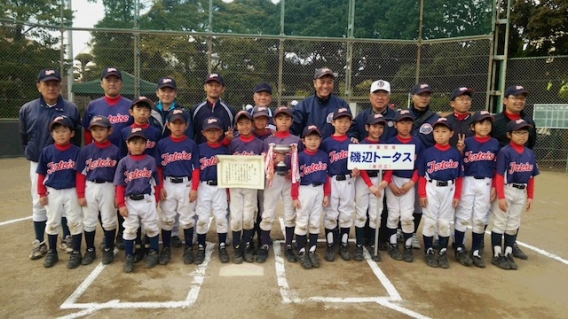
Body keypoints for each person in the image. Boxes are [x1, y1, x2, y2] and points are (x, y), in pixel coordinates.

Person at [19, 68, 81, 260]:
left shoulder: (71, 108)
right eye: (47, 84)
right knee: (39, 201)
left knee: (66, 201)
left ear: (60, 86)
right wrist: (34, 153)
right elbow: (23, 137)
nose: (51, 87)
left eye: (55, 84)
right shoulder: (27, 109)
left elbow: (76, 136)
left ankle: (67, 238)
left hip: (66, 162)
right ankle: (40, 242)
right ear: (39, 86)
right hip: (39, 162)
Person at [82, 67, 133, 250]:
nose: (112, 83)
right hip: (100, 159)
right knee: (100, 199)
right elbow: (87, 133)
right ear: (101, 83)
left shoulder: (129, 105)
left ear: (121, 83)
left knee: (119, 197)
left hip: (123, 158)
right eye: (108, 79)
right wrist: (91, 154)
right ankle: (107, 233)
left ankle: (120, 233)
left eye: (116, 80)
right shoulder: (93, 106)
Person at [490, 85, 537, 261]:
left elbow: (530, 145)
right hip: (497, 172)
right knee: (491, 210)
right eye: (514, 97)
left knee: (513, 215)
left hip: (517, 173)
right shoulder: (495, 121)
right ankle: (486, 244)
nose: (519, 101)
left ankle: (511, 245)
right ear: (505, 100)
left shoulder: (529, 121)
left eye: (522, 98)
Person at [454, 111, 499, 268]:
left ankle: (475, 251)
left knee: (480, 218)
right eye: (481, 123)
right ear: (472, 126)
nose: (485, 126)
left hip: (486, 182)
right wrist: (460, 150)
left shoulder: (494, 143)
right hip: (467, 181)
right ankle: (459, 248)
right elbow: (458, 164)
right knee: (463, 216)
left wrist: (494, 186)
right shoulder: (467, 142)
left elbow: (496, 168)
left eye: (488, 123)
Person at [36, 116, 82, 268]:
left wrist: (81, 193)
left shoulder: (77, 151)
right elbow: (41, 173)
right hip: (53, 191)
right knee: (53, 221)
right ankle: (52, 251)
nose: (60, 134)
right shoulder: (47, 151)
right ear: (52, 134)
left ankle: (76, 251)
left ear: (72, 133)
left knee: (74, 220)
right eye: (56, 131)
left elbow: (80, 175)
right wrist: (41, 193)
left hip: (72, 191)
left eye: (64, 130)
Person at [113, 128, 161, 273]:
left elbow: (156, 183)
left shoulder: (151, 161)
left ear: (146, 144)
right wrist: (121, 203)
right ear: (128, 143)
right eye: (134, 142)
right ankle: (129, 255)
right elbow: (120, 185)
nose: (138, 145)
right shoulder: (123, 162)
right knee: (130, 229)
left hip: (147, 199)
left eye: (141, 142)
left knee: (151, 226)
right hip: (130, 201)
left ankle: (153, 251)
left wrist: (156, 200)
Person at [417, 118, 463, 269]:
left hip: (449, 189)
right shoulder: (427, 153)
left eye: (444, 131)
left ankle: (442, 252)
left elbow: (459, 177)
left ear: (451, 134)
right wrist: (422, 193)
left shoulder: (455, 153)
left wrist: (457, 195)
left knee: (444, 223)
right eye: (437, 131)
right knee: (430, 221)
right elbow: (422, 175)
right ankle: (429, 251)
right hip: (432, 188)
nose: (440, 135)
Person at [156, 109, 200, 265]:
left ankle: (188, 247)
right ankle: (166, 248)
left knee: (187, 218)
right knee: (167, 218)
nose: (178, 126)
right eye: (174, 123)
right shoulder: (162, 144)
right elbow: (159, 168)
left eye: (181, 123)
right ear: (168, 125)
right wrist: (160, 187)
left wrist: (194, 187)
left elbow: (196, 168)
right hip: (168, 184)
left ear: (186, 125)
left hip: (186, 184)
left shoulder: (191, 144)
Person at [257, 106, 301, 263]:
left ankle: (288, 245)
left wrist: (293, 170)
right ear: (274, 121)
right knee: (268, 212)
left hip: (289, 179)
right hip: (273, 177)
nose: (283, 121)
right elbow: (263, 161)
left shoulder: (296, 140)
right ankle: (264, 245)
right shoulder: (268, 141)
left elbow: (300, 162)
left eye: (287, 118)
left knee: (290, 213)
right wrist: (273, 162)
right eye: (280, 118)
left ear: (291, 121)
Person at [75, 116, 120, 265]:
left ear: (110, 130)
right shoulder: (86, 151)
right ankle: (90, 250)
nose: (98, 133)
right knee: (89, 220)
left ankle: (108, 248)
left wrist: (118, 195)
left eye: (101, 129)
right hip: (90, 186)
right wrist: (80, 195)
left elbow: (119, 176)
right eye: (94, 130)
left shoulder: (115, 150)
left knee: (108, 219)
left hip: (109, 186)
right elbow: (80, 174)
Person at [382, 110, 424, 262]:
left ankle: (407, 247)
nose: (405, 126)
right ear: (396, 124)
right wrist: (390, 184)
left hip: (409, 181)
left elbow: (419, 166)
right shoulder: (391, 142)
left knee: (407, 215)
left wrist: (412, 183)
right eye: (402, 122)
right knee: (393, 214)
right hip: (392, 180)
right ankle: (393, 245)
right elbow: (385, 167)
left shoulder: (417, 142)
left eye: (408, 122)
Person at [321, 107, 359, 262]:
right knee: (331, 213)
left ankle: (343, 243)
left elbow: (357, 163)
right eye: (340, 121)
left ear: (350, 123)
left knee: (346, 212)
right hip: (331, 180)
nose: (343, 125)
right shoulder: (325, 142)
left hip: (348, 181)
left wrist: (356, 171)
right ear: (333, 122)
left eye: (346, 121)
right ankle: (331, 244)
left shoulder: (353, 142)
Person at [226, 111, 264, 263]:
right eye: (241, 124)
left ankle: (247, 245)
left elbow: (264, 163)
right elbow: (225, 161)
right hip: (235, 185)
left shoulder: (259, 144)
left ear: (252, 124)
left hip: (251, 185)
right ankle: (237, 248)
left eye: (247, 123)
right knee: (236, 218)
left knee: (248, 217)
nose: (245, 126)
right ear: (236, 126)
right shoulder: (232, 143)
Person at [292, 125, 330, 269]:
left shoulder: (323, 155)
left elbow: (326, 177)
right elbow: (295, 178)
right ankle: (301, 251)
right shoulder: (299, 157)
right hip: (304, 190)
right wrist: (295, 196)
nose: (313, 141)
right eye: (309, 138)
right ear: (303, 141)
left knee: (315, 221)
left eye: (316, 138)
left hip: (319, 189)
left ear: (320, 140)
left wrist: (326, 194)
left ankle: (312, 250)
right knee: (302, 221)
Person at [194, 117, 231, 265]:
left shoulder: (225, 149)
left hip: (220, 187)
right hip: (203, 186)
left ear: (221, 132)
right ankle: (201, 246)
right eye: (209, 131)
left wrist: (228, 191)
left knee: (221, 217)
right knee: (202, 219)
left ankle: (222, 245)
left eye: (216, 130)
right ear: (203, 132)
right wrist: (194, 188)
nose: (213, 134)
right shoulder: (199, 148)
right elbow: (196, 169)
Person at [408, 83, 440, 250]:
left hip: (424, 167)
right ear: (412, 96)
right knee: (401, 201)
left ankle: (412, 232)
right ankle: (401, 230)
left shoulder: (435, 118)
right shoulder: (403, 115)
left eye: (427, 94)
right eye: (420, 94)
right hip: (403, 166)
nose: (424, 97)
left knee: (418, 203)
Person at [353, 114, 389, 262]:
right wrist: (370, 186)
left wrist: (386, 180)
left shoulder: (386, 145)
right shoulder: (361, 145)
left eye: (381, 127)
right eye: (374, 126)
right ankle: (359, 245)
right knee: (361, 213)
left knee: (376, 214)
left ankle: (373, 244)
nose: (377, 130)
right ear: (367, 127)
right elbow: (360, 168)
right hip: (363, 181)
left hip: (379, 180)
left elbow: (390, 165)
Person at [291, 68, 353, 140]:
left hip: (335, 150)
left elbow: (351, 130)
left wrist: (353, 137)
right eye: (322, 82)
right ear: (314, 83)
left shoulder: (342, 105)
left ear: (333, 84)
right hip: (311, 150)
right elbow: (292, 129)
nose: (325, 86)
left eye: (329, 82)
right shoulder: (304, 106)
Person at [190, 73, 236, 145]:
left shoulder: (230, 111)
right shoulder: (195, 110)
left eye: (217, 85)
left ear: (223, 89)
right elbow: (191, 134)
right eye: (210, 85)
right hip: (201, 154)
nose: (214, 88)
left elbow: (233, 134)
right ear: (205, 87)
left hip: (223, 153)